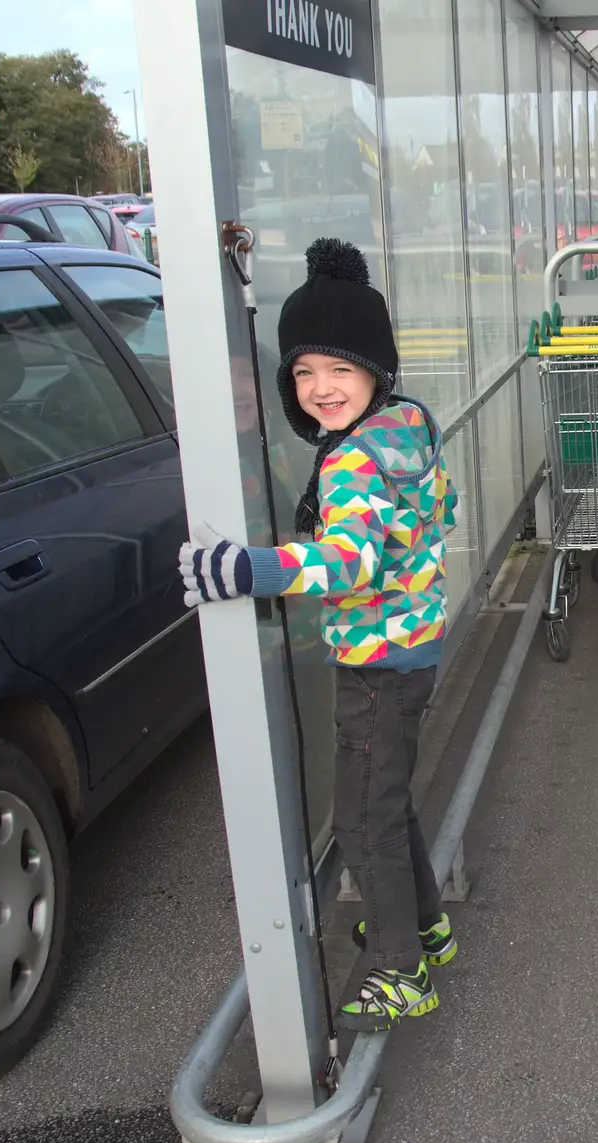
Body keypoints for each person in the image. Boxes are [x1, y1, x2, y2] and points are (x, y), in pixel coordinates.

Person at [179, 238, 459, 1033]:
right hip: (417, 647)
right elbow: (447, 508)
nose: (320, 389)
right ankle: (425, 924)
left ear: (374, 368)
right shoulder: (409, 426)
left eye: (339, 369)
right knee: (387, 797)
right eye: (304, 372)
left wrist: (245, 570)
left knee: (363, 818)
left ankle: (402, 969)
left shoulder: (349, 465)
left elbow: (347, 562)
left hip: (375, 659)